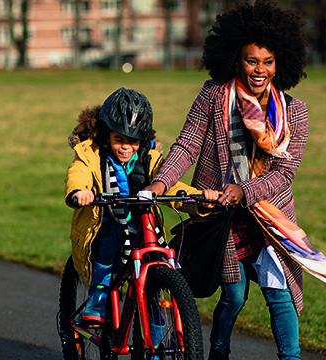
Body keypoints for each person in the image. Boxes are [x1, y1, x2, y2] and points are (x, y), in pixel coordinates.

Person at [144, 1, 310, 359]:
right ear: (236, 59)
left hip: (270, 218)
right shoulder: (214, 95)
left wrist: (244, 190)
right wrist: (159, 184)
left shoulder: (294, 112)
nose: (259, 70)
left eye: (268, 61)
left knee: (279, 293)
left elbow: (285, 172)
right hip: (221, 217)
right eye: (252, 60)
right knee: (233, 297)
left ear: (280, 62)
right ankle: (218, 352)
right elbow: (187, 144)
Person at [65, 87, 217, 331]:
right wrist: (80, 192)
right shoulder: (91, 155)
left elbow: (171, 185)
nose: (126, 147)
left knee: (157, 272)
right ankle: (98, 297)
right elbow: (78, 174)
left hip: (143, 227)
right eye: (119, 140)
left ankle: (156, 339)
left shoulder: (150, 159)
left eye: (133, 141)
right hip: (108, 221)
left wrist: (198, 200)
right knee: (109, 238)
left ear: (143, 140)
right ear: (106, 136)